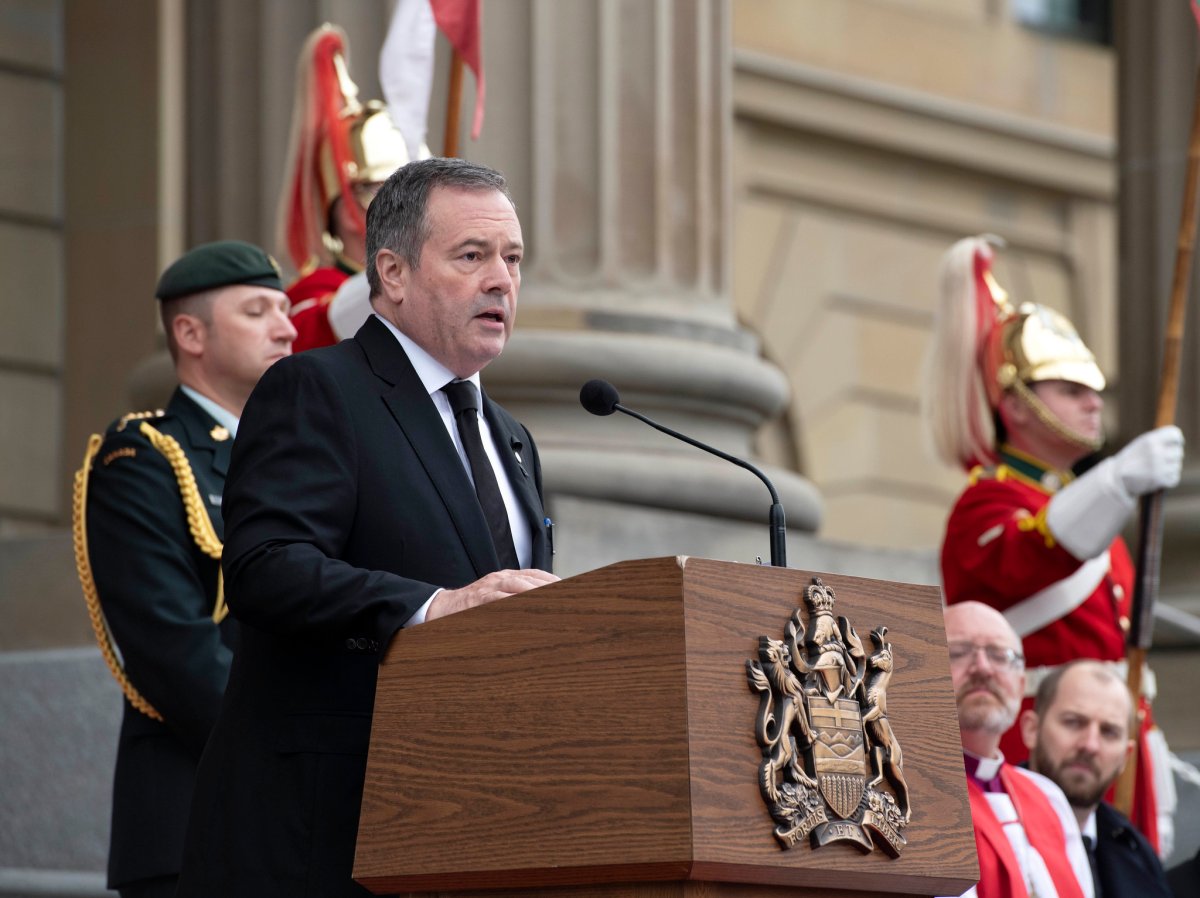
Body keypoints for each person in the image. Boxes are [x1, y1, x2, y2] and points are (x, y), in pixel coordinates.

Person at [176, 157, 558, 898]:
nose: (502, 280)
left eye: (512, 259)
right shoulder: (317, 389)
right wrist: (431, 608)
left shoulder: (512, 438)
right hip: (321, 835)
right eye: (472, 256)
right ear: (392, 272)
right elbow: (267, 568)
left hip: (466, 829)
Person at [923, 234, 1184, 853]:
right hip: (1036, 752)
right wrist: (1117, 479)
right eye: (1069, 388)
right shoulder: (986, 504)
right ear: (1014, 405)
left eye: (1093, 387)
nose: (1093, 402)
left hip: (1110, 751)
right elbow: (1038, 553)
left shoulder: (1080, 504)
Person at [73, 241, 296, 898]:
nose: (286, 328)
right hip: (194, 817)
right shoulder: (144, 458)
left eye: (284, 310)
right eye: (258, 311)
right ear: (190, 333)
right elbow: (173, 646)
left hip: (297, 824)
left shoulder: (293, 458)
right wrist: (299, 751)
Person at [278, 23, 426, 351]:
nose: (414, 204)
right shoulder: (313, 296)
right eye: (393, 190)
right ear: (347, 210)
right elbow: (336, 318)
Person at [943, 601, 1094, 898]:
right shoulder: (906, 795)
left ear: (1021, 683)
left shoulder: (1048, 798)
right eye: (958, 652)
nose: (983, 668)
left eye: (1000, 655)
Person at [1020, 660, 1173, 898]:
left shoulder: (1138, 855)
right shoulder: (982, 831)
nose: (1090, 745)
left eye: (1109, 732)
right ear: (1032, 730)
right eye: (1073, 722)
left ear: (1126, 756)